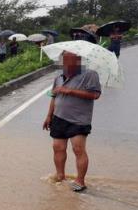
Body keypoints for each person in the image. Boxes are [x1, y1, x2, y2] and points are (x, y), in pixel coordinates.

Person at [42, 51, 102, 192]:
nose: (65, 63)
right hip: (59, 117)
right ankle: (60, 175)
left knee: (78, 149)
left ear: (78, 61)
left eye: (68, 60)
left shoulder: (90, 74)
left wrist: (69, 91)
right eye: (63, 60)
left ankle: (80, 181)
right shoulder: (58, 77)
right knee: (57, 147)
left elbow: (95, 94)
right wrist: (49, 116)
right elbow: (53, 97)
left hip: (79, 120)